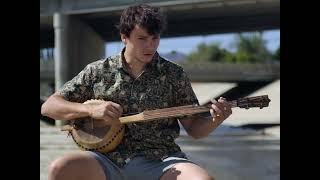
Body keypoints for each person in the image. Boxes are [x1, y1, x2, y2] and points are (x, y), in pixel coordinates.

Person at [41, 4, 232, 180]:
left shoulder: (174, 74)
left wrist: (216, 120)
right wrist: (90, 111)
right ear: (124, 37)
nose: (150, 46)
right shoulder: (98, 71)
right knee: (60, 168)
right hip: (107, 160)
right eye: (142, 39)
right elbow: (49, 107)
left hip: (161, 160)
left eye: (154, 38)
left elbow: (194, 129)